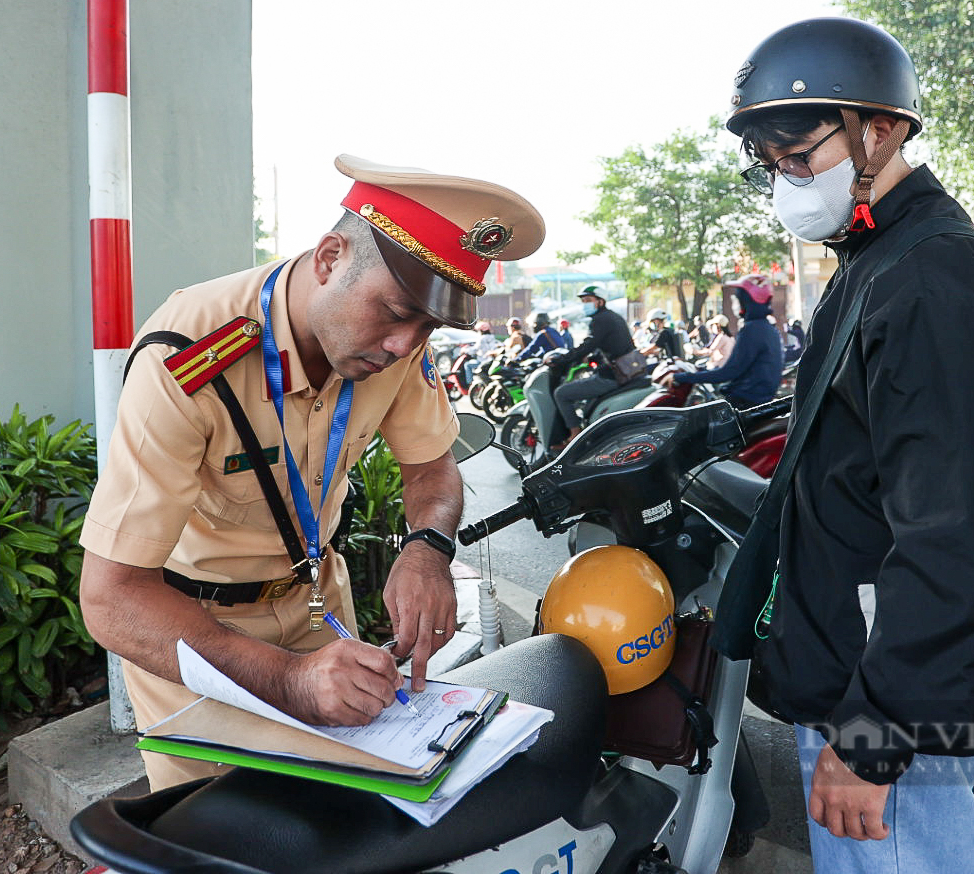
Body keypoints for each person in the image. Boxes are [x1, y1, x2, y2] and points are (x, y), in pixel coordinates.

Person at [712, 17, 974, 874]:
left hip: (887, 706)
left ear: (883, 127)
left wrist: (873, 739)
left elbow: (964, 537)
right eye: (771, 166)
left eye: (801, 155)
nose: (788, 182)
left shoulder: (931, 278)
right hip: (865, 683)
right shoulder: (879, 260)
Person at [78, 153, 543, 790]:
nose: (406, 346)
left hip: (320, 606)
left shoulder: (394, 349)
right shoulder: (187, 355)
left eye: (430, 326)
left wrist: (428, 549)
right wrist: (291, 679)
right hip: (196, 629)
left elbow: (432, 469)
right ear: (329, 259)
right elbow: (111, 598)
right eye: (397, 311)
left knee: (349, 817)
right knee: (217, 832)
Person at [661, 275, 783, 410]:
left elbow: (727, 372)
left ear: (747, 301)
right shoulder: (768, 329)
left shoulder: (752, 330)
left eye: (738, 299)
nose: (735, 304)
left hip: (744, 405)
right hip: (757, 403)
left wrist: (681, 377)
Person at [551, 284, 638, 451]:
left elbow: (588, 344)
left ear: (600, 301)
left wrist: (560, 360)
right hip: (626, 371)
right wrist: (591, 357)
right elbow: (612, 345)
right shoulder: (613, 317)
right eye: (583, 301)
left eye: (588, 300)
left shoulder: (600, 320)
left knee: (561, 393)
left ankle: (575, 434)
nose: (585, 304)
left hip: (612, 376)